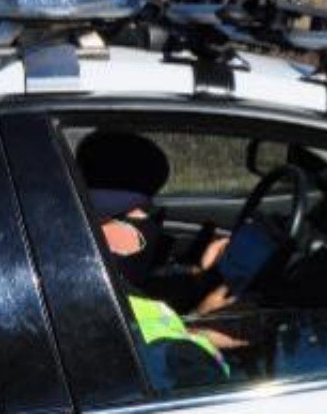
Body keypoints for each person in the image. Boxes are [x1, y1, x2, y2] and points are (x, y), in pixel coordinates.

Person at [81, 129, 237, 389]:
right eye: (135, 215)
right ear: (97, 225)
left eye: (151, 212)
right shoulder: (174, 362)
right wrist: (202, 335)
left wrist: (197, 279)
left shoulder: (104, 287)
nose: (149, 225)